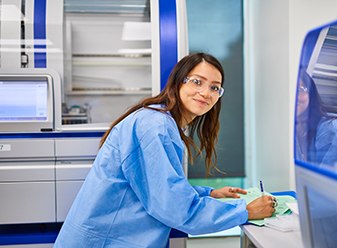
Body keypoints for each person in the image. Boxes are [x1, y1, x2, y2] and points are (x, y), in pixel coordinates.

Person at [54, 53, 275, 247]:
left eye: (214, 87)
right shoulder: (154, 126)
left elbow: (158, 187)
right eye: (197, 82)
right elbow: (175, 208)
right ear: (179, 82)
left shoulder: (161, 121)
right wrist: (245, 211)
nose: (206, 93)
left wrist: (209, 193)